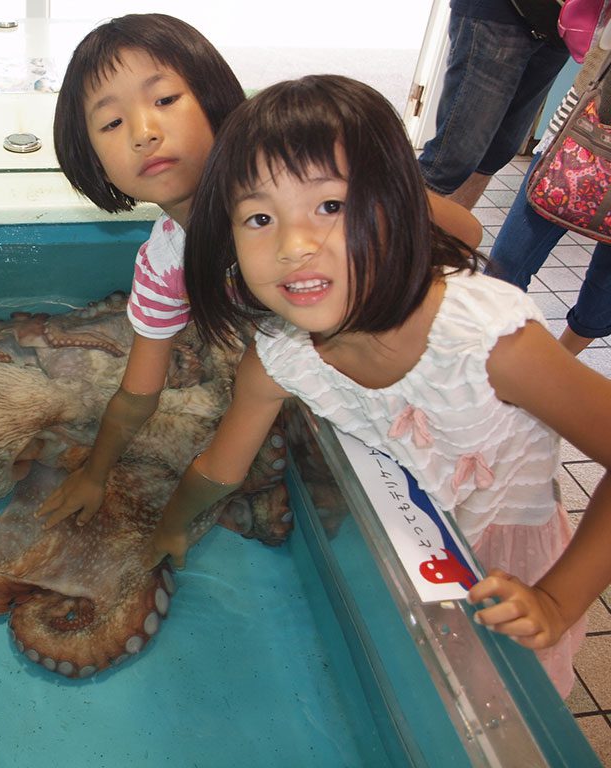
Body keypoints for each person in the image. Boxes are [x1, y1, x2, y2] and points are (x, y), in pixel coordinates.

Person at [150, 75, 611, 698]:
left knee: (508, 702)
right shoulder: (281, 359)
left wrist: (557, 601)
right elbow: (219, 465)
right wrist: (170, 525)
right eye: (259, 216)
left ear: (398, 206)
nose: (294, 245)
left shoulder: (487, 342)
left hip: (520, 568)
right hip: (416, 550)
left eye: (331, 206)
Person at [37, 14, 484, 529]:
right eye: (111, 123)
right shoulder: (167, 265)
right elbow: (139, 393)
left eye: (165, 100)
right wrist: (95, 474)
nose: (144, 133)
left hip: (442, 363)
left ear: (213, 98)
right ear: (91, 160)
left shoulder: (304, 174)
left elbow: (464, 235)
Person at [486, 11, 611, 355]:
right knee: (508, 264)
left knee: (604, 290)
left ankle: (556, 365)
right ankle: (489, 359)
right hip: (582, 126)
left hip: (582, 127)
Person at [418, 0, 570, 210]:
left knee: (498, 151)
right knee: (452, 158)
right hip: (499, 12)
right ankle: (393, 240)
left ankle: (448, 240)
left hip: (563, 24)